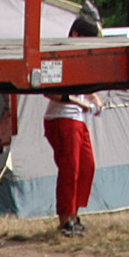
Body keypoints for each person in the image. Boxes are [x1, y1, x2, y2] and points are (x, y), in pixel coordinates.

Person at [43, 13, 104, 236]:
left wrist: (95, 101)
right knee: (70, 168)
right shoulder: (59, 56)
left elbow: (87, 88)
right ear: (76, 35)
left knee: (87, 167)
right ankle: (65, 219)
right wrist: (79, 101)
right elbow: (50, 91)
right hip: (62, 117)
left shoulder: (81, 59)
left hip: (78, 119)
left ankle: (75, 214)